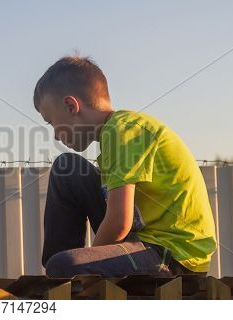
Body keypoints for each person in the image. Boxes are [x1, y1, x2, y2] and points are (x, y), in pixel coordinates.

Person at [33, 55, 216, 278]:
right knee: (66, 166)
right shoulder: (114, 134)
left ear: (71, 106)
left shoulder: (123, 131)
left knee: (65, 265)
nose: (55, 134)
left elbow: (119, 223)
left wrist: (88, 265)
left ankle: (65, 276)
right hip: (142, 239)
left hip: (172, 255)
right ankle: (60, 274)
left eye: (52, 122)